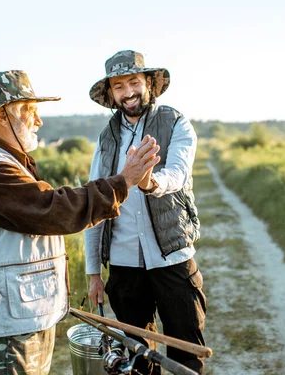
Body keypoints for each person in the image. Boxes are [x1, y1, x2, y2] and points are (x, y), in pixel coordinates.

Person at [0, 69, 160, 375]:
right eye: (29, 111)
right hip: (6, 333)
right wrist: (122, 182)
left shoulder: (7, 162)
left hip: (24, 320)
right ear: (0, 116)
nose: (38, 121)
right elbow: (53, 209)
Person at [84, 50, 206, 374]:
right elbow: (96, 202)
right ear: (111, 93)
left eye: (134, 82)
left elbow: (178, 174)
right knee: (136, 360)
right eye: (119, 86)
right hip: (124, 267)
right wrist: (93, 271)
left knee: (186, 353)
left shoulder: (176, 122)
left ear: (149, 82)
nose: (128, 93)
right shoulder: (106, 139)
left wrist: (149, 182)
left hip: (172, 259)